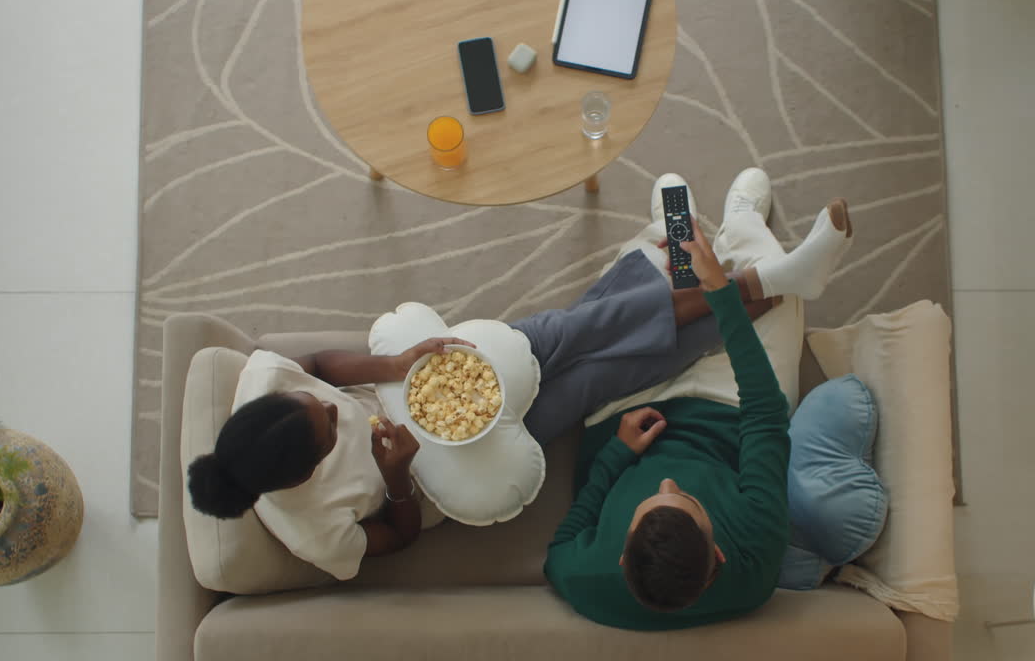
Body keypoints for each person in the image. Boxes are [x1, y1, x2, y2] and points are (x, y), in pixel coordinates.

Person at [184, 169, 826, 581]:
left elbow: (320, 366)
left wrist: (397, 365)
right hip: (457, 465)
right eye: (330, 427)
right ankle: (745, 276)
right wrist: (396, 476)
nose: (332, 406)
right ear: (304, 474)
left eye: (319, 403)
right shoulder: (313, 533)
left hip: (433, 384)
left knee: (584, 328)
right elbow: (397, 539)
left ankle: (752, 280)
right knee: (606, 372)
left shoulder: (263, 385)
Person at [543, 167, 854, 630]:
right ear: (718, 552)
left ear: (623, 558)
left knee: (630, 280)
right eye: (686, 497)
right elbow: (765, 416)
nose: (667, 482)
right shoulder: (755, 561)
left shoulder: (588, 580)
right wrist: (721, 296)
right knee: (782, 292)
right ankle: (741, 221)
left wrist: (615, 455)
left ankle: (678, 232)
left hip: (626, 410)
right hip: (728, 407)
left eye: (651, 499)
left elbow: (561, 546)